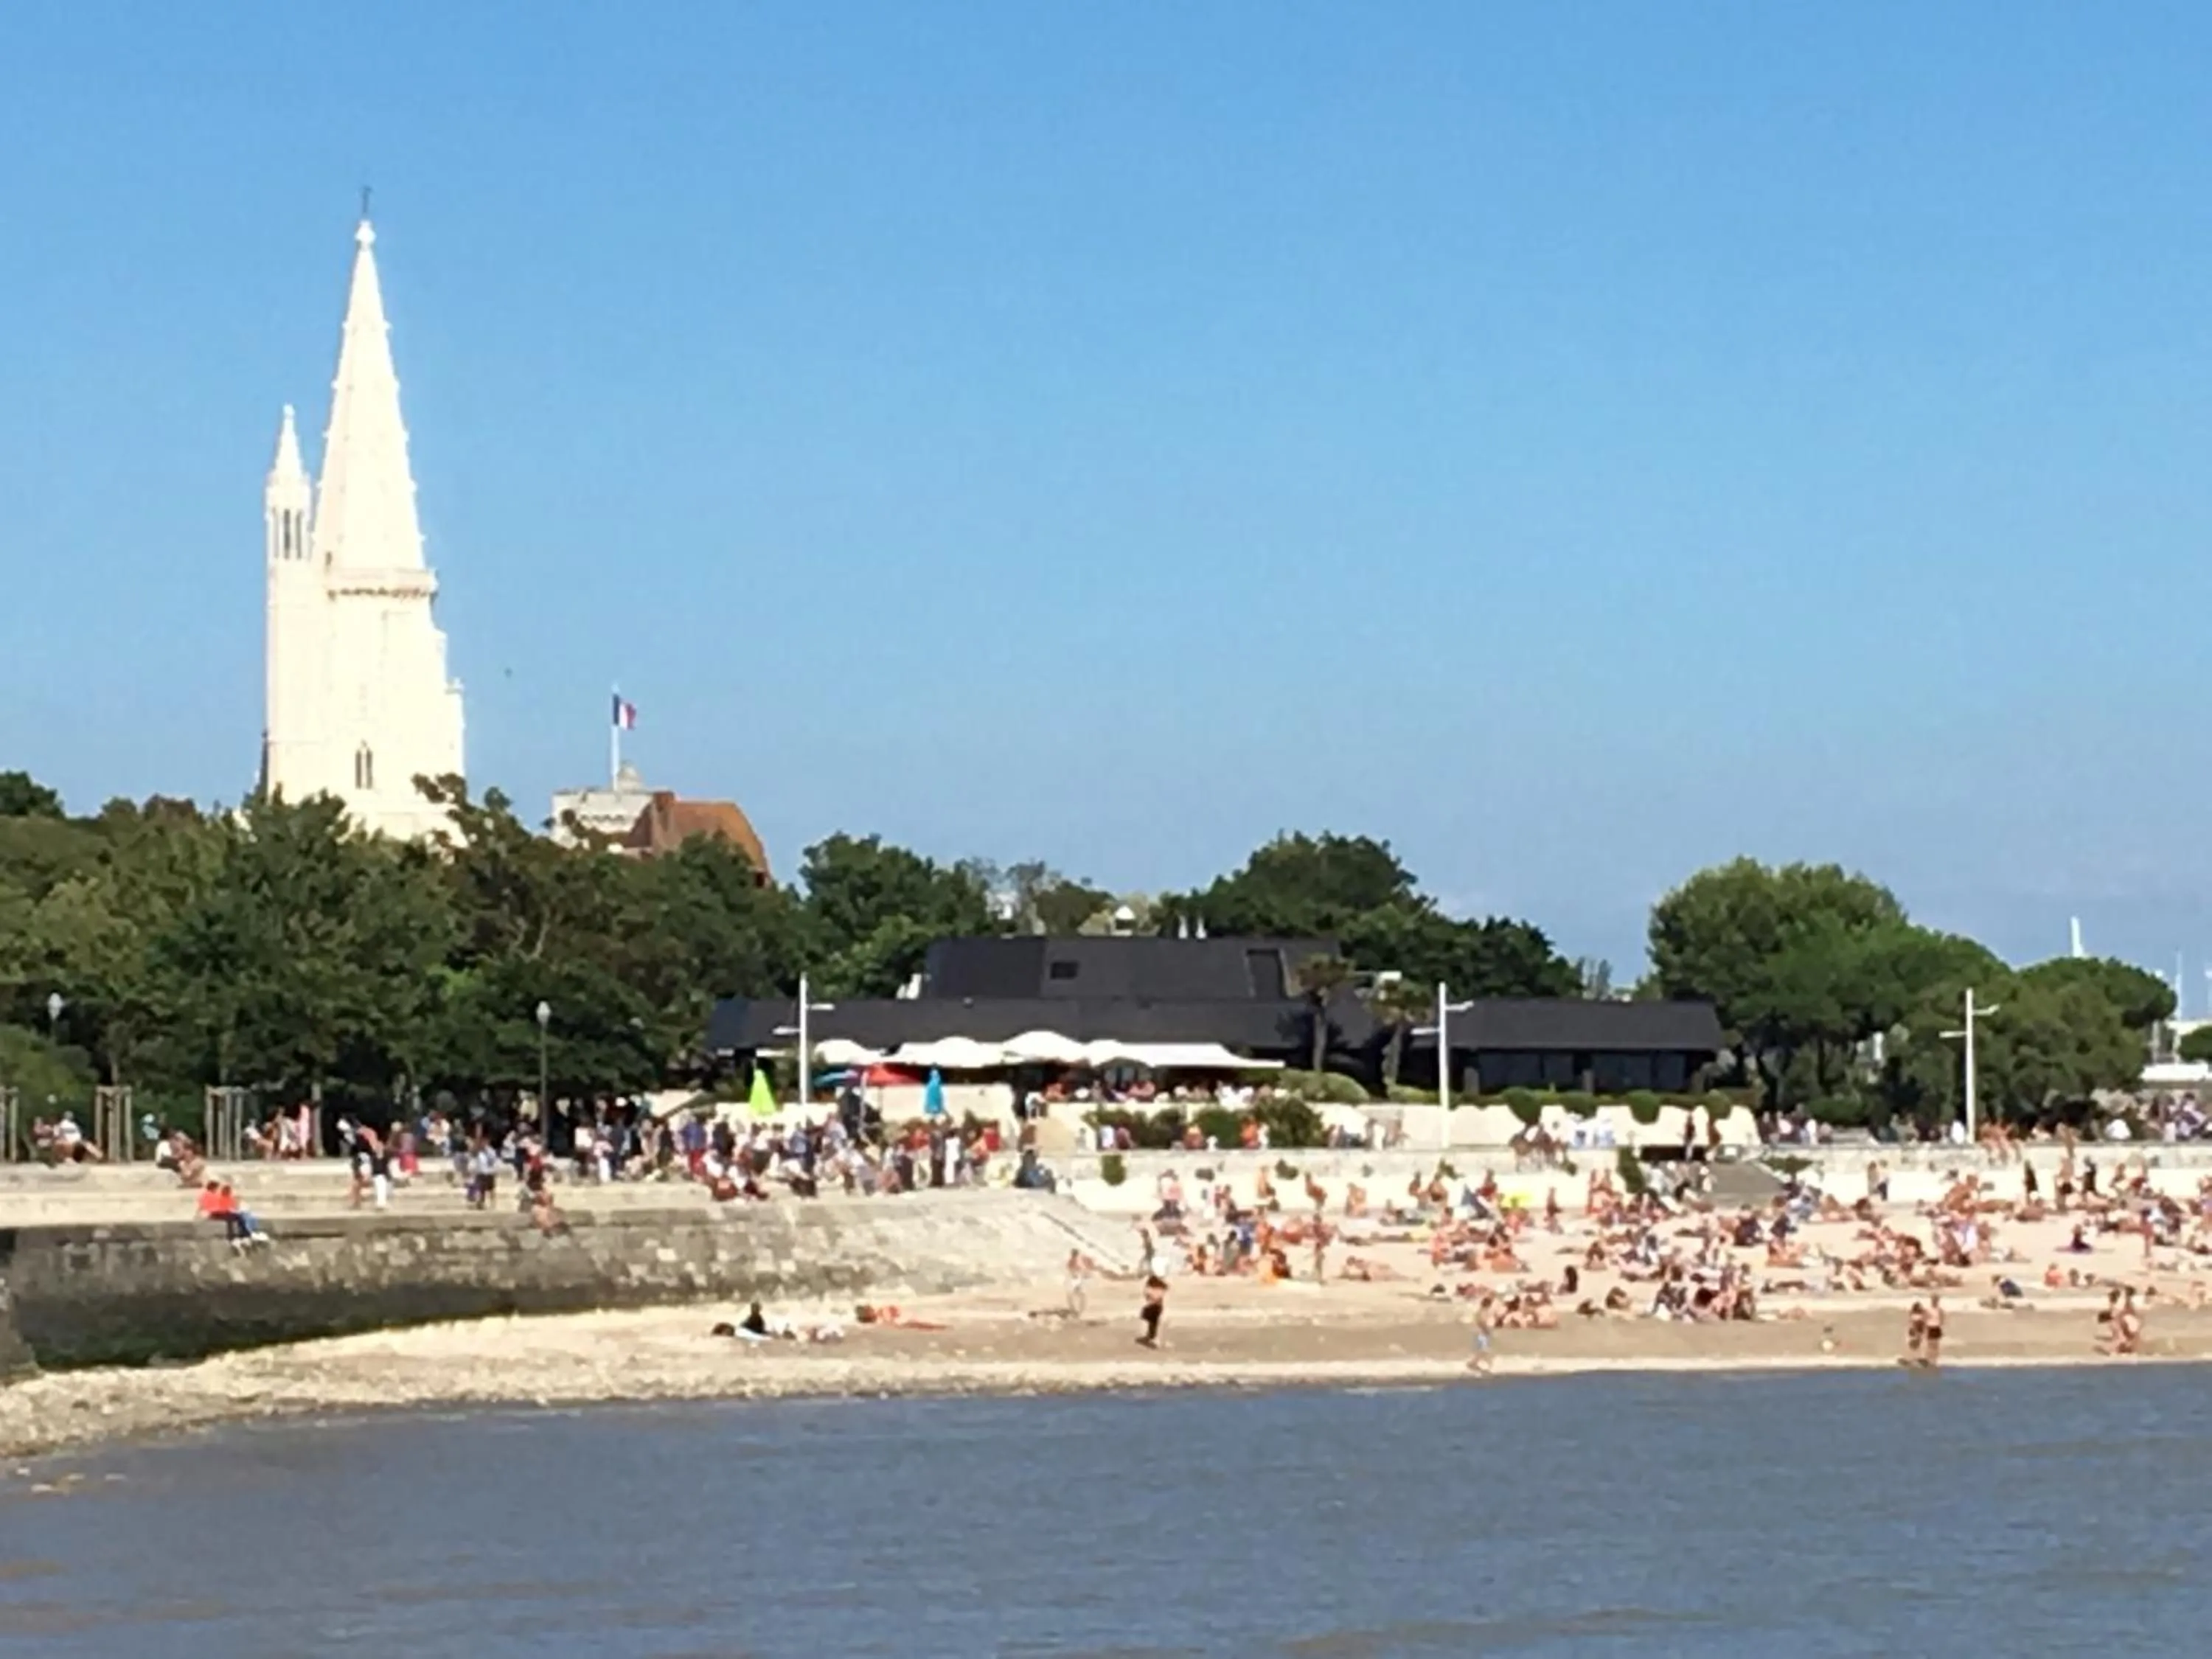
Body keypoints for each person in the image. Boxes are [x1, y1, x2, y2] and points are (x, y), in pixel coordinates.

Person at [1137, 1274, 1167, 1348]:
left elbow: (1152, 1298)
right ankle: (1151, 1337)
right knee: (1153, 1324)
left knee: (1152, 1323)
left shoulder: (1155, 1289)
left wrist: (1149, 1295)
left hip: (1155, 1307)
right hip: (1158, 1307)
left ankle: (1151, 1338)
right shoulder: (1160, 1288)